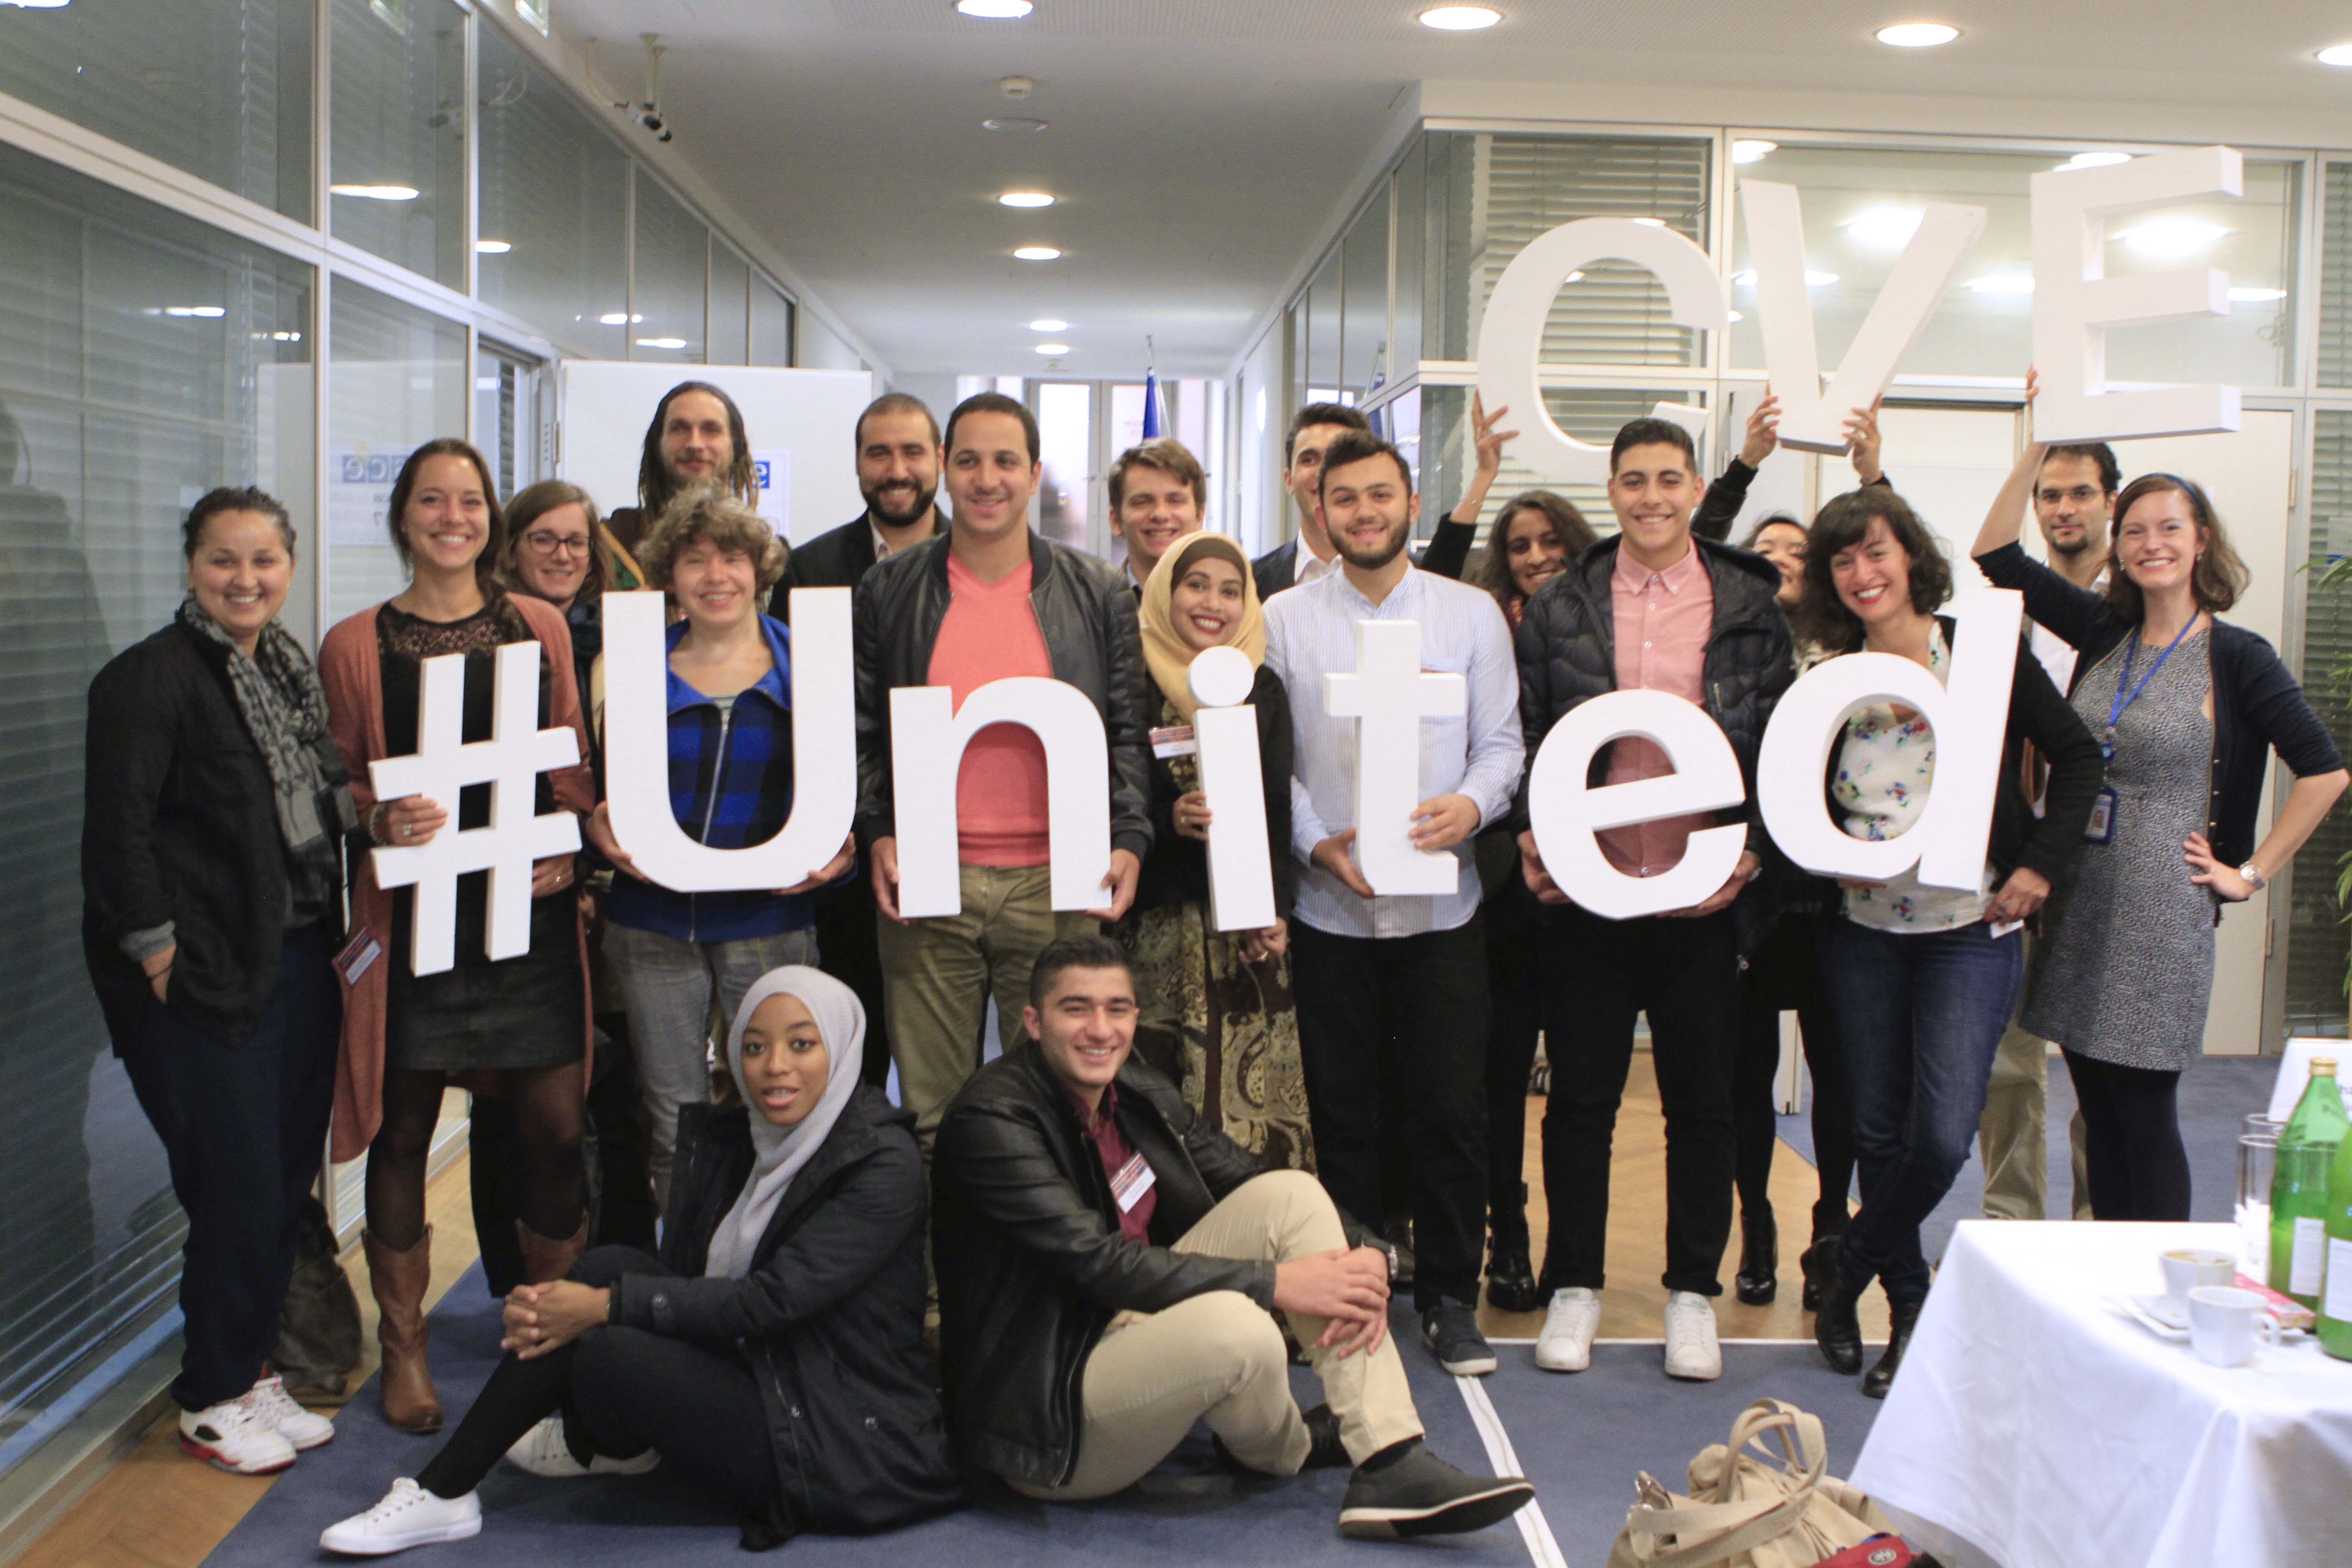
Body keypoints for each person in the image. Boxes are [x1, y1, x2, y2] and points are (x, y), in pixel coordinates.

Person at [320, 967, 962, 1555]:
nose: (774, 1068)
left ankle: (453, 1486)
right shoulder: (753, 1135)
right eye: (754, 1046)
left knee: (605, 1339)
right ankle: (530, 1465)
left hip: (839, 1436)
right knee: (603, 1266)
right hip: (771, 1368)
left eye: (801, 1044)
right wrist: (572, 1305)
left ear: (842, 1049)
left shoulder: (881, 1165)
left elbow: (771, 1300)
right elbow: (696, 1279)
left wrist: (602, 1310)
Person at [931, 934, 1534, 1539]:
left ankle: (1390, 1459)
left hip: (1123, 1322)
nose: (1100, 1029)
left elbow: (1244, 1175)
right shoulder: (994, 1119)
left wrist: (1366, 1251)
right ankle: (1288, 1446)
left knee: (1293, 1196)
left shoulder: (1132, 1086)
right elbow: (1098, 1265)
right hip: (1051, 1411)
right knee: (1241, 1328)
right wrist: (1278, 1284)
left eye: (1117, 1008)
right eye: (1076, 1009)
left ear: (1135, 1017)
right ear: (1034, 1022)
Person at [1975, 441, 2347, 1225]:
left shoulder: (2236, 658)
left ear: (2201, 539)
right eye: (2135, 530)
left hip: (2161, 917)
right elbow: (1996, 553)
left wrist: (2248, 873)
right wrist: (2038, 443)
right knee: (2100, 1113)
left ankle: (2154, 1276)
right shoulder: (2101, 629)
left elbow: (2324, 773)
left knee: (2144, 1118)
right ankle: (2113, 1277)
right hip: (2079, 900)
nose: (2152, 544)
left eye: (2170, 527)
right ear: (2117, 544)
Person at [1798, 486, 2102, 1399]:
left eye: (1876, 552)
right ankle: (1908, 1309)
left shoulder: (1979, 653)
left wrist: (2040, 865)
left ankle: (1845, 1270)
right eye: (1843, 561)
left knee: (1938, 1136)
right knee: (1877, 1129)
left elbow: (2077, 757)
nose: (1862, 573)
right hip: (1862, 933)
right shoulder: (1829, 675)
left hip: (1969, 929)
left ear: (1911, 557)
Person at [319, 439, 595, 1434]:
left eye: (470, 500)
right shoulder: (355, 644)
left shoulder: (538, 624)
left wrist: (569, 848)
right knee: (401, 1131)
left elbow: (571, 759)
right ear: (403, 516)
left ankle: (547, 1339)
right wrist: (375, 818)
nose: (452, 517)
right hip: (417, 920)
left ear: (491, 519)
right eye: (432, 500)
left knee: (554, 1127)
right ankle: (404, 1345)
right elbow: (339, 781)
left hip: (525, 912)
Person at [1512, 416, 1794, 1382]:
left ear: (1695, 487)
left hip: (1702, 900)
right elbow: (1533, 734)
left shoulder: (1748, 601)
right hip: (1588, 893)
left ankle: (1690, 1294)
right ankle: (1574, 1286)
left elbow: (1776, 745)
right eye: (1633, 480)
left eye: (1669, 479)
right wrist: (1532, 835)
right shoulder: (1562, 603)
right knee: (1580, 1101)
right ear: (1611, 491)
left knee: (1701, 1104)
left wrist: (1752, 853)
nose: (1651, 498)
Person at [82, 487, 353, 1474]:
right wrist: (159, 958)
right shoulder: (147, 678)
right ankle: (209, 1396)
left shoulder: (283, 669)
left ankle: (249, 1371)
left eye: (263, 560)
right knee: (234, 1188)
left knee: (279, 1185)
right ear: (191, 565)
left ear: (290, 566)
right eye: (223, 560)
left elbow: (308, 807)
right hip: (204, 977)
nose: (245, 579)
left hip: (298, 958)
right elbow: (117, 837)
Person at [1263, 430, 1524, 1375]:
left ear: (1412, 505)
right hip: (1328, 911)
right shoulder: (1283, 618)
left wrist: (1472, 804)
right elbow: (1274, 756)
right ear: (1318, 508)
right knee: (1344, 1112)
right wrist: (1314, 842)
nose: (1363, 512)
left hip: (1442, 912)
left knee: (1451, 1109)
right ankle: (1354, 1293)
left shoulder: (1469, 615)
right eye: (1344, 498)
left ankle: (1450, 1298)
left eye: (1380, 495)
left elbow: (1502, 744)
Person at [855, 391, 1150, 1156]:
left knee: (1054, 1112)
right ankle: (940, 1244)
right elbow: (864, 732)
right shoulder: (887, 589)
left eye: (1005, 461)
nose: (987, 479)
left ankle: (1041, 1241)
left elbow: (1124, 729)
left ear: (1035, 473)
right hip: (928, 882)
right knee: (933, 1116)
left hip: (1059, 880)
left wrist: (1129, 836)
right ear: (943, 470)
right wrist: (878, 828)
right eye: (968, 461)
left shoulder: (1097, 590)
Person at [584, 488, 855, 1209]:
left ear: (759, 568)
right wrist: (594, 829)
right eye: (694, 560)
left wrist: (841, 853)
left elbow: (844, 785)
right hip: (654, 926)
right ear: (669, 575)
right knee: (675, 1120)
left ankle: (775, 1261)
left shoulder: (809, 663)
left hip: (768, 923)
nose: (715, 576)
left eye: (732, 557)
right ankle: (689, 1263)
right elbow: (600, 787)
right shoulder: (634, 665)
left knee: (782, 1109)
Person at [473, 480, 659, 1290]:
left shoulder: (624, 643)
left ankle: (617, 1271)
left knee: (616, 1094)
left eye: (575, 541)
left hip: (610, 897)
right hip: (509, 901)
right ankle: (515, 1284)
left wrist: (588, 867)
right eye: (542, 539)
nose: (560, 554)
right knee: (509, 1102)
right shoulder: (478, 639)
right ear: (510, 547)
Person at [766, 392, 947, 1088]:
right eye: (879, 453)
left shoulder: (982, 563)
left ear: (938, 460)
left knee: (943, 1058)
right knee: (850, 1047)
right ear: (857, 463)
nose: (896, 469)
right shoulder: (807, 571)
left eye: (912, 452)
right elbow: (792, 711)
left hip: (955, 841)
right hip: (841, 849)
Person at [1122, 532, 1313, 1166]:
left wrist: (1275, 906)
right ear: (1164, 593)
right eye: (1196, 585)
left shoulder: (1263, 687)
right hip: (1153, 921)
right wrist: (1167, 818)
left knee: (1245, 1113)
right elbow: (1107, 796)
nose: (1213, 603)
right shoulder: (1132, 683)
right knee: (1151, 1099)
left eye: (1231, 591)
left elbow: (1276, 806)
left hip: (1242, 932)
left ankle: (1256, 1223)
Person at [1979, 424, 2118, 1225]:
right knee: (2006, 1063)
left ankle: (2095, 1227)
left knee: (2100, 1065)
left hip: (2102, 861)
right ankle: (2013, 1224)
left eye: (2080, 493)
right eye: (2049, 494)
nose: (2064, 508)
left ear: (2109, 501)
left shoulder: (2135, 609)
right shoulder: (2009, 614)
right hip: (2018, 858)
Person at [1463, 490, 1597, 1313]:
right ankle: (1505, 1237)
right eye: (1519, 545)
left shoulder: (1602, 624)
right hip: (1503, 891)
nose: (1537, 556)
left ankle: (1569, 1253)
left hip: (1584, 883)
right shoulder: (1481, 624)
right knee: (1499, 1077)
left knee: (1580, 1082)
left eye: (1551, 541)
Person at [1726, 510, 1857, 1311]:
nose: (1780, 560)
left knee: (1838, 1072)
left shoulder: (1854, 650)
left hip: (1835, 895)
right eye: (1763, 549)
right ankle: (1757, 1224)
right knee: (1745, 1072)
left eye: (1796, 550)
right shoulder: (1731, 651)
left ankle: (1829, 1228)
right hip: (1751, 894)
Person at [603, 381, 757, 564]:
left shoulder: (762, 553)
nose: (695, 444)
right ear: (658, 444)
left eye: (711, 430)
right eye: (680, 428)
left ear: (736, 446)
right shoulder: (611, 546)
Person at [1107, 436, 1208, 593]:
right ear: (1115, 521)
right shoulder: (1093, 605)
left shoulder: (1232, 605)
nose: (1161, 514)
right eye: (1142, 502)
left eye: (1175, 501)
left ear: (1199, 517)